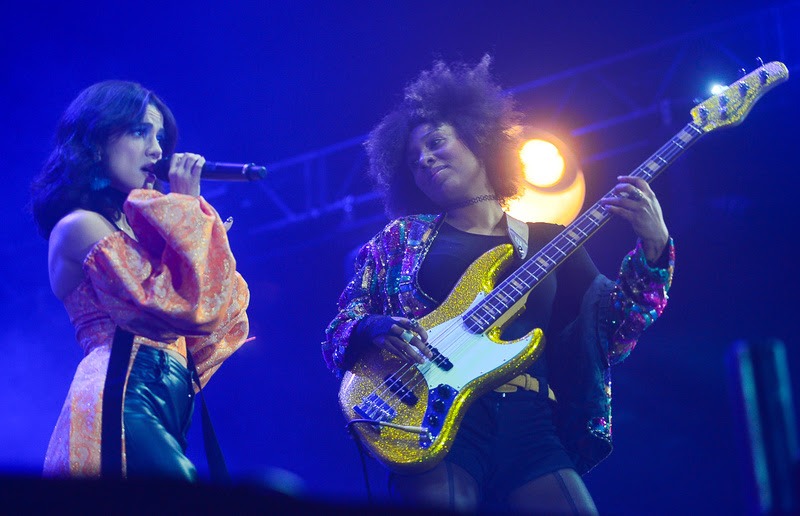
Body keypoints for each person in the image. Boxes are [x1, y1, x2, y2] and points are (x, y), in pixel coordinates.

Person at [322, 56, 674, 513]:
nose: (425, 159)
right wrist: (375, 328)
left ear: (478, 139)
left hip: (530, 423)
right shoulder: (401, 239)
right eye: (413, 161)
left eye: (435, 143)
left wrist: (654, 246)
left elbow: (617, 330)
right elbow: (340, 328)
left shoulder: (550, 241)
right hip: (433, 415)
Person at [30, 80, 250, 481]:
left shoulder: (143, 236)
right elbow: (177, 308)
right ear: (95, 143)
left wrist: (200, 245)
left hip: (164, 404)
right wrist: (187, 212)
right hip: (121, 396)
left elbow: (211, 321)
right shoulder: (80, 226)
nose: (156, 150)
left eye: (160, 137)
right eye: (138, 132)